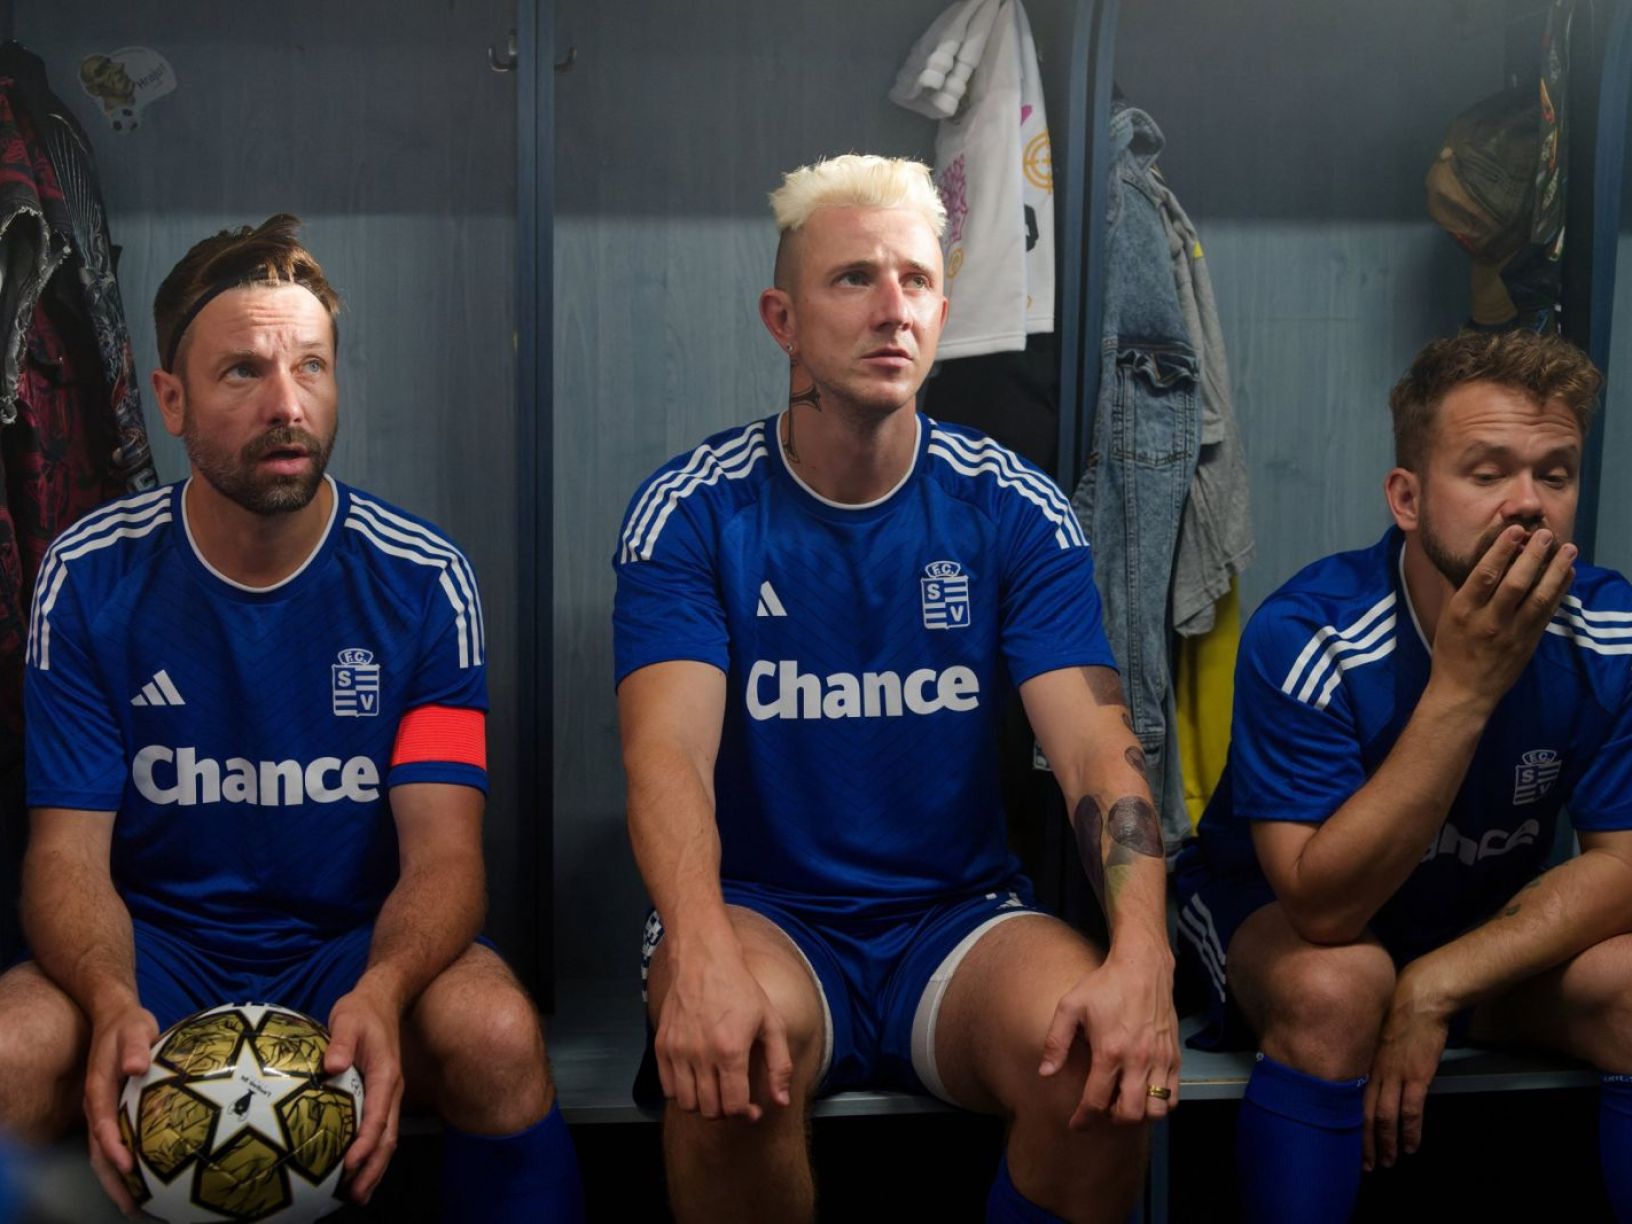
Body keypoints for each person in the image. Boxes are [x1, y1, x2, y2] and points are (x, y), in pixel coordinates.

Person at [613, 154, 1179, 1223]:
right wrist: (698, 950)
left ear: (944, 315)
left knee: (1100, 1069)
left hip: (956, 921)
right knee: (736, 1067)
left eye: (916, 281)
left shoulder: (1012, 506)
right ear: (782, 319)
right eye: (854, 279)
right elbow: (666, 756)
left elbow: (1097, 752)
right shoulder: (693, 511)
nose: (892, 309)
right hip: (763, 914)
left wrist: (1145, 952)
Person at [0, 215, 583, 1221]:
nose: (287, 404)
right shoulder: (89, 576)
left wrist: (384, 989)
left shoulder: (422, 580)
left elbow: (445, 856)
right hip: (153, 949)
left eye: (311, 366)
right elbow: (65, 857)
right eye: (243, 372)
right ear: (170, 401)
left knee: (495, 1033)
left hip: (351, 948)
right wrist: (109, 999)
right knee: (11, 1050)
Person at [1175, 328, 1632, 1222]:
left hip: (1474, 932)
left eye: (1556, 474)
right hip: (1279, 920)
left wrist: (1441, 980)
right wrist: (1463, 689)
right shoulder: (1311, 634)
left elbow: (1623, 864)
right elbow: (1322, 908)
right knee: (1338, 987)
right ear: (1408, 498)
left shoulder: (1609, 631)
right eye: (1487, 473)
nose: (1528, 504)